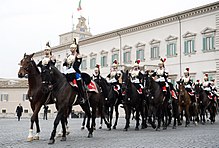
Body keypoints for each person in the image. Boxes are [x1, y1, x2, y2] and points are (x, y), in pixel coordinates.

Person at [63, 38, 87, 104]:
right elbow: (65, 64)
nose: (71, 50)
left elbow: (76, 66)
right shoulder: (69, 56)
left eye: (73, 48)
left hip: (75, 71)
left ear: (75, 48)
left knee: (79, 82)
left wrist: (69, 70)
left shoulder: (78, 56)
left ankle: (81, 97)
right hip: (67, 71)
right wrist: (65, 68)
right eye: (71, 48)